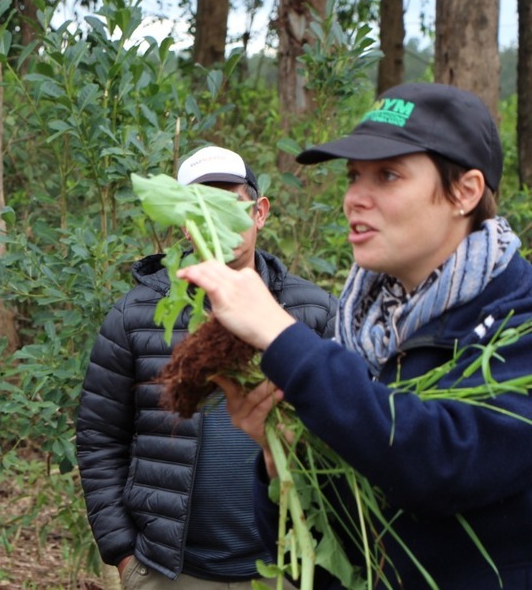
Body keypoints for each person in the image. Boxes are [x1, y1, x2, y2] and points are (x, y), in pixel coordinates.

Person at [180, 83, 532, 588]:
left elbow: (442, 462)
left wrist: (282, 334)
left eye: (387, 175)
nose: (353, 199)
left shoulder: (518, 319)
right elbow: (333, 542)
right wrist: (284, 461)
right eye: (352, 176)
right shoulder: (362, 325)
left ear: (466, 191)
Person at [77, 146, 338, 589]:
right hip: (171, 571)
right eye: (201, 209)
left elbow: (344, 431)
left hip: (285, 569)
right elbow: (100, 437)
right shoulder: (135, 315)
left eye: (229, 206)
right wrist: (124, 556)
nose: (216, 222)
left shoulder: (311, 312)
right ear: (183, 223)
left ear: (260, 212)